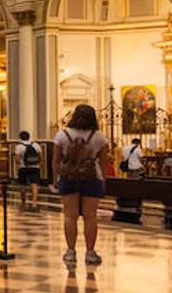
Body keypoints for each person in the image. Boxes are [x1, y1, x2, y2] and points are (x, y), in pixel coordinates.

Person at [52, 104, 111, 266]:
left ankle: (70, 252)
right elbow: (104, 161)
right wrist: (104, 180)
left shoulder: (62, 135)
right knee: (90, 217)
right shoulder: (98, 136)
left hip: (68, 177)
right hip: (92, 178)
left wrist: (56, 180)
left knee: (70, 216)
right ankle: (90, 252)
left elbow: (56, 161)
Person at [14, 130, 42, 209]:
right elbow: (40, 157)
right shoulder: (36, 145)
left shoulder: (19, 147)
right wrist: (37, 163)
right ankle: (34, 202)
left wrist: (19, 164)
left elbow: (17, 159)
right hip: (35, 167)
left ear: (20, 137)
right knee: (34, 184)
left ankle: (23, 202)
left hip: (23, 167)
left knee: (23, 185)